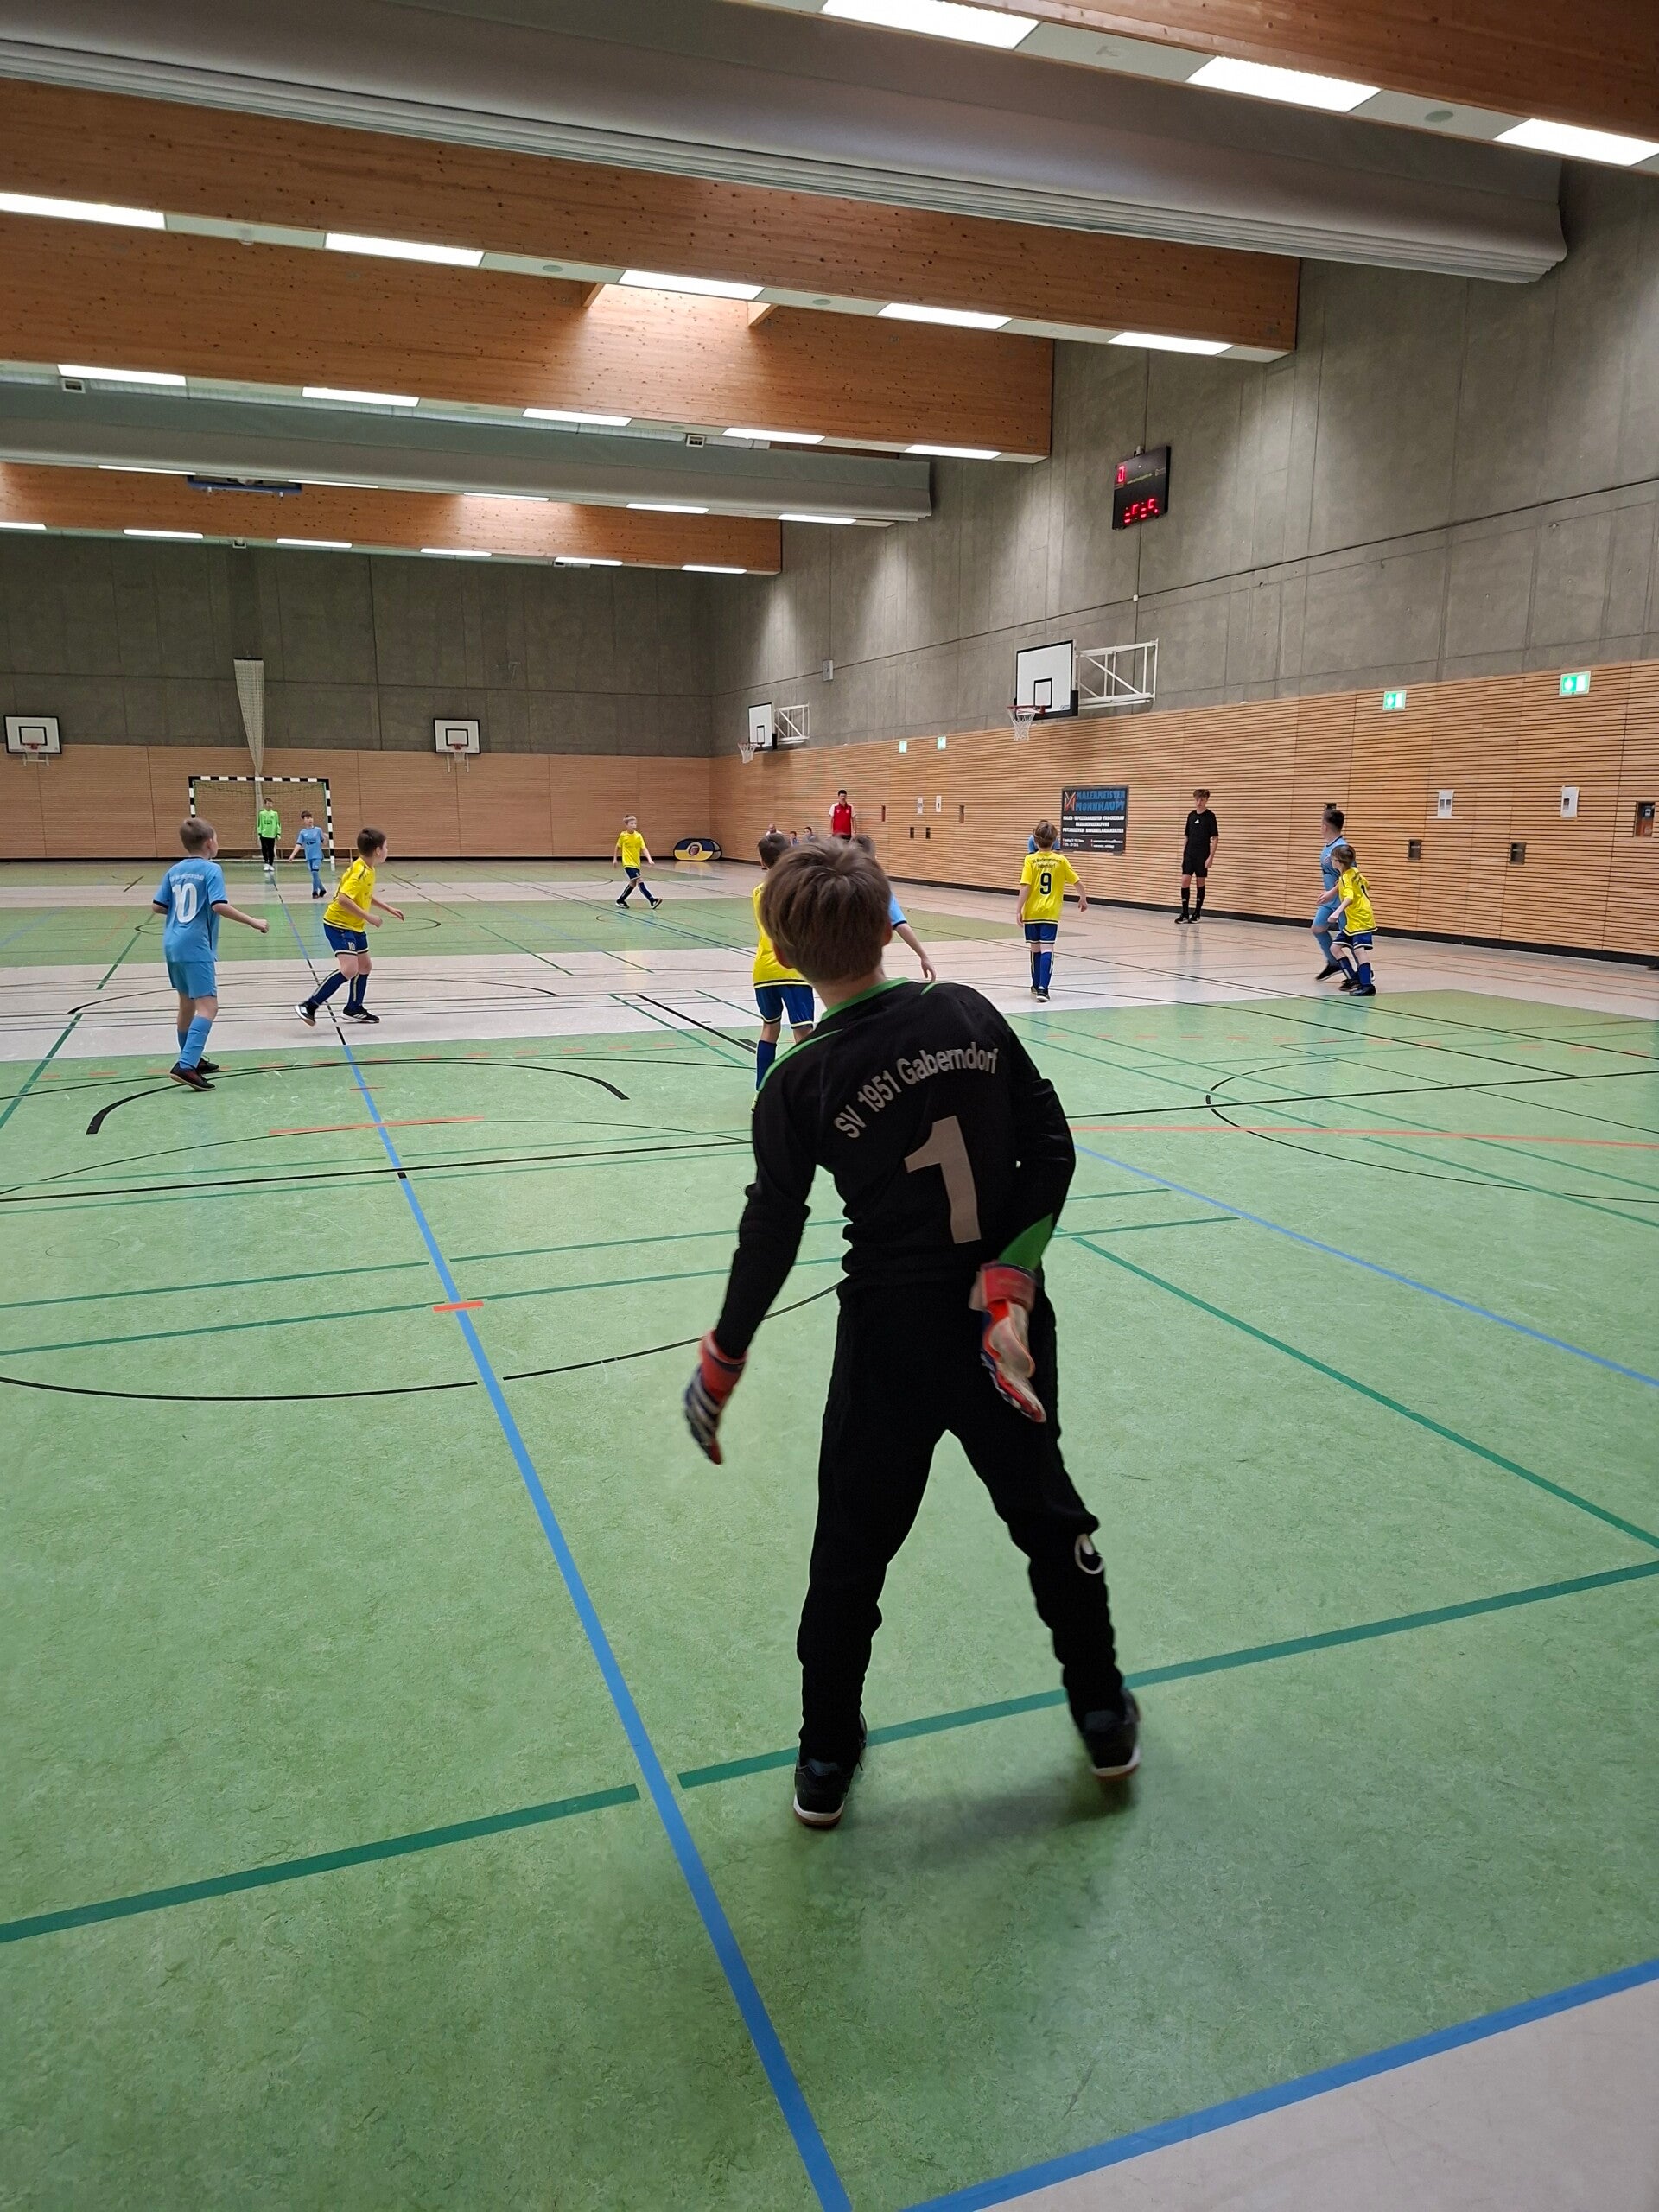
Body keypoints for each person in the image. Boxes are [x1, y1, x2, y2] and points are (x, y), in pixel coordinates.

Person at [683, 837, 1135, 1830]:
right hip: (997, 1321)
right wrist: (1011, 1276)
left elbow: (773, 1228)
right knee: (1049, 1518)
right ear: (889, 926)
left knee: (850, 1551)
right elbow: (1052, 1148)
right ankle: (1103, 1713)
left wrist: (724, 1356)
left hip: (888, 1336)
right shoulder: (967, 1011)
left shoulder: (798, 1079)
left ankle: (824, 1754)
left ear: (781, 950)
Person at [151, 817, 268, 1090]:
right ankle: (186, 1066)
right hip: (195, 944)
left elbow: (157, 906)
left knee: (186, 1003)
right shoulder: (211, 870)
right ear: (209, 843)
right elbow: (218, 905)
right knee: (208, 1006)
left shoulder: (175, 870)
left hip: (172, 942)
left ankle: (191, 1057)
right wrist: (254, 922)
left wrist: (183, 912)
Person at [296, 827, 404, 1027]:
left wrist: (388, 908)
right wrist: (369, 917)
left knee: (365, 966)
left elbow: (365, 895)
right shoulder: (360, 872)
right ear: (377, 850)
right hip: (338, 924)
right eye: (386, 847)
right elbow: (344, 899)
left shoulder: (368, 868)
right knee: (349, 969)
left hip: (354, 925)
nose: (387, 850)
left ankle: (354, 1008)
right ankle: (309, 1006)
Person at [752, 832, 816, 1088]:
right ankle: (806, 1092)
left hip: (763, 970)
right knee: (803, 1033)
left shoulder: (758, 891)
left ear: (762, 862)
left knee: (769, 1029)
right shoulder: (797, 889)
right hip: (792, 969)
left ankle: (761, 1091)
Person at [1016, 821, 1084, 1002]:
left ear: (1034, 841)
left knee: (1035, 948)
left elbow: (1025, 886)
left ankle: (1035, 983)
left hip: (1032, 912)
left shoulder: (1030, 860)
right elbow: (1077, 881)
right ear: (1055, 841)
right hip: (1050, 913)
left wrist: (1018, 909)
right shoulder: (1061, 860)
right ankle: (1043, 988)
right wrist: (1083, 898)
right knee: (1047, 948)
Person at [853, 836, 936, 981]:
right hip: (867, 961)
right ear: (874, 857)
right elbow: (900, 924)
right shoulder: (877, 885)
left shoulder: (834, 883)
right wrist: (923, 956)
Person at [1328, 842, 1377, 996]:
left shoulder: (1345, 878)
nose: (1331, 860)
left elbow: (1349, 897)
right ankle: (1354, 979)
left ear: (1338, 862)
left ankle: (1367, 986)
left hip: (1360, 919)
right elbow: (1367, 885)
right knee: (1335, 948)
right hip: (1354, 920)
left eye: (1332, 858)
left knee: (1359, 950)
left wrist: (1337, 913)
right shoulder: (1354, 871)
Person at [1311, 804, 1346, 980]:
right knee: (1318, 928)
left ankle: (1361, 974)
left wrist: (1332, 892)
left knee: (1350, 938)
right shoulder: (1328, 846)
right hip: (1330, 899)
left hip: (1343, 900)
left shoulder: (1342, 848)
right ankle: (1334, 963)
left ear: (1325, 826)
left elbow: (1350, 877)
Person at [1176, 789, 1218, 923]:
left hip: (1202, 855)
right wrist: (1184, 855)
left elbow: (1215, 838)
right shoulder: (1191, 816)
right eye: (1197, 799)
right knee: (1184, 881)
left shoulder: (1210, 816)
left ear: (1206, 800)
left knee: (1200, 882)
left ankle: (1197, 913)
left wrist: (1210, 857)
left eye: (1202, 799)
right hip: (1189, 854)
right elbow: (1187, 836)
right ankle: (1184, 913)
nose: (1199, 802)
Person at [613, 815, 662, 910]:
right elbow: (617, 846)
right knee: (640, 880)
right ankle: (652, 900)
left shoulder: (638, 836)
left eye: (635, 823)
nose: (634, 825)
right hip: (628, 863)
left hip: (636, 864)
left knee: (633, 883)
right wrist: (615, 859)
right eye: (632, 824)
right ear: (626, 825)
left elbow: (644, 848)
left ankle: (620, 900)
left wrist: (649, 859)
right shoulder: (623, 836)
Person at [290, 810, 327, 899]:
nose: (310, 820)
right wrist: (293, 855)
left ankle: (315, 892)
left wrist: (326, 838)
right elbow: (298, 844)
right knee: (314, 875)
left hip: (317, 855)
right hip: (309, 856)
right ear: (304, 820)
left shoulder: (318, 830)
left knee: (315, 872)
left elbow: (324, 842)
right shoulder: (302, 833)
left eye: (311, 818)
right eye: (307, 818)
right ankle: (322, 889)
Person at [256, 797, 282, 885]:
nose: (270, 805)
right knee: (264, 849)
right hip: (264, 834)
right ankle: (266, 863)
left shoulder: (275, 814)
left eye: (271, 803)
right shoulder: (261, 814)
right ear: (265, 804)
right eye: (268, 803)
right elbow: (259, 823)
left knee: (271, 850)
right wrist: (259, 832)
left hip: (272, 834)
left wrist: (278, 833)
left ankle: (271, 864)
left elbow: (278, 824)